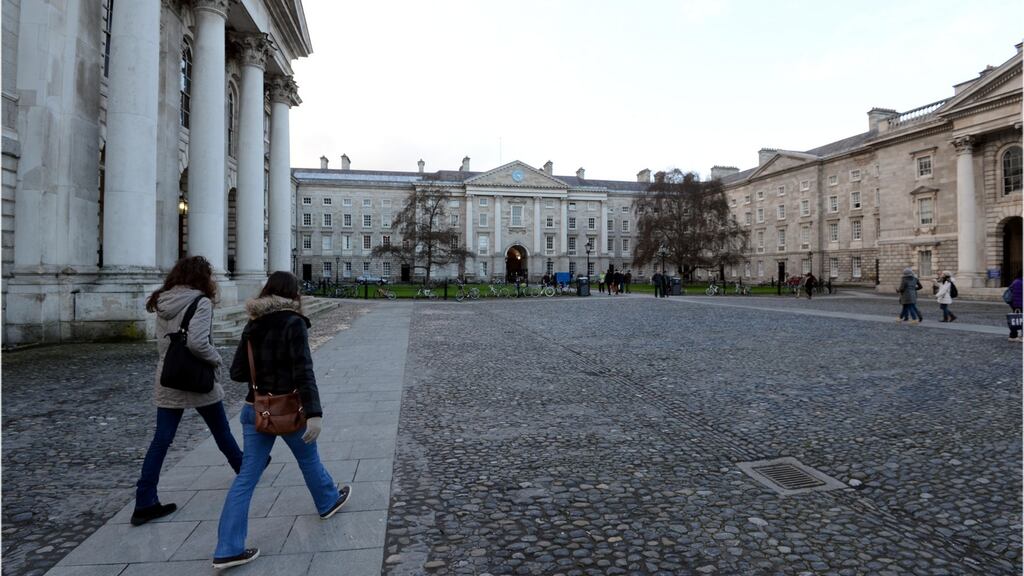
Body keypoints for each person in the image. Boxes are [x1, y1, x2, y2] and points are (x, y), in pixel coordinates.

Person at [213, 271, 350, 569]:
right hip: (287, 408)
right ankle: (327, 501)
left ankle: (227, 548)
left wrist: (262, 372)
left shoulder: (253, 323)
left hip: (256, 407)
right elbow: (304, 371)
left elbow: (237, 372)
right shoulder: (294, 322)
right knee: (308, 458)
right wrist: (314, 413)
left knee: (246, 477)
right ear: (292, 294)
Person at [133, 256, 243, 526]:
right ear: (201, 277)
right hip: (196, 377)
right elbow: (197, 343)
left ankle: (144, 500)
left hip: (169, 376)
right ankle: (244, 468)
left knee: (162, 440)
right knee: (220, 429)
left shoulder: (163, 299)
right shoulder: (200, 301)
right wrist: (216, 357)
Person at [1008, 275, 1022, 342]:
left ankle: (1012, 336)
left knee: (1015, 320)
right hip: (1021, 304)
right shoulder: (1021, 282)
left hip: (1014, 304)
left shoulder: (1015, 281)